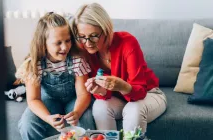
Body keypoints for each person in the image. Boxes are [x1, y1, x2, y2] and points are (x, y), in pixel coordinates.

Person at [71, 3, 167, 133]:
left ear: (106, 30)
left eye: (94, 36)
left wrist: (122, 86)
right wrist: (101, 91)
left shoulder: (127, 42)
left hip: (148, 94)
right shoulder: (85, 50)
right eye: (82, 36)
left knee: (133, 109)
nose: (87, 43)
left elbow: (139, 92)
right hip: (120, 100)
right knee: (99, 107)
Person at [16, 12, 95, 140]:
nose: (65, 47)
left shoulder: (77, 60)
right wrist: (47, 118)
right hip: (49, 101)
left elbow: (83, 94)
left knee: (85, 120)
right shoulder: (34, 64)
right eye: (58, 43)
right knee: (27, 124)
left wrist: (77, 112)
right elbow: (33, 99)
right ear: (43, 43)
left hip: (74, 100)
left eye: (68, 40)